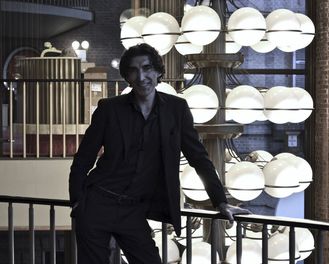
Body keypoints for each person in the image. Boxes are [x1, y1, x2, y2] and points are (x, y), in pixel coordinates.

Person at [69, 43, 250, 264]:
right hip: (97, 205)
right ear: (127, 75)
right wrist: (78, 202)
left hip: (133, 211)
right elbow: (83, 158)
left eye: (147, 68)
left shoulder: (176, 109)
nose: (141, 76)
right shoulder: (109, 109)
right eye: (134, 70)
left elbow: (198, 158)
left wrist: (219, 201)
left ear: (158, 72)